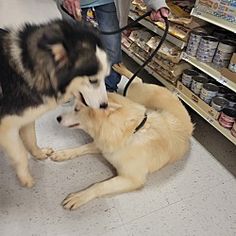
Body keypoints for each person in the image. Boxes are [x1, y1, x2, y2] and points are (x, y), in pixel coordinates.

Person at [57, 0, 169, 92]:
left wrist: (157, 3)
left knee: (112, 45)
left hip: (107, 2)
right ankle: (73, 87)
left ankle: (110, 88)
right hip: (73, 4)